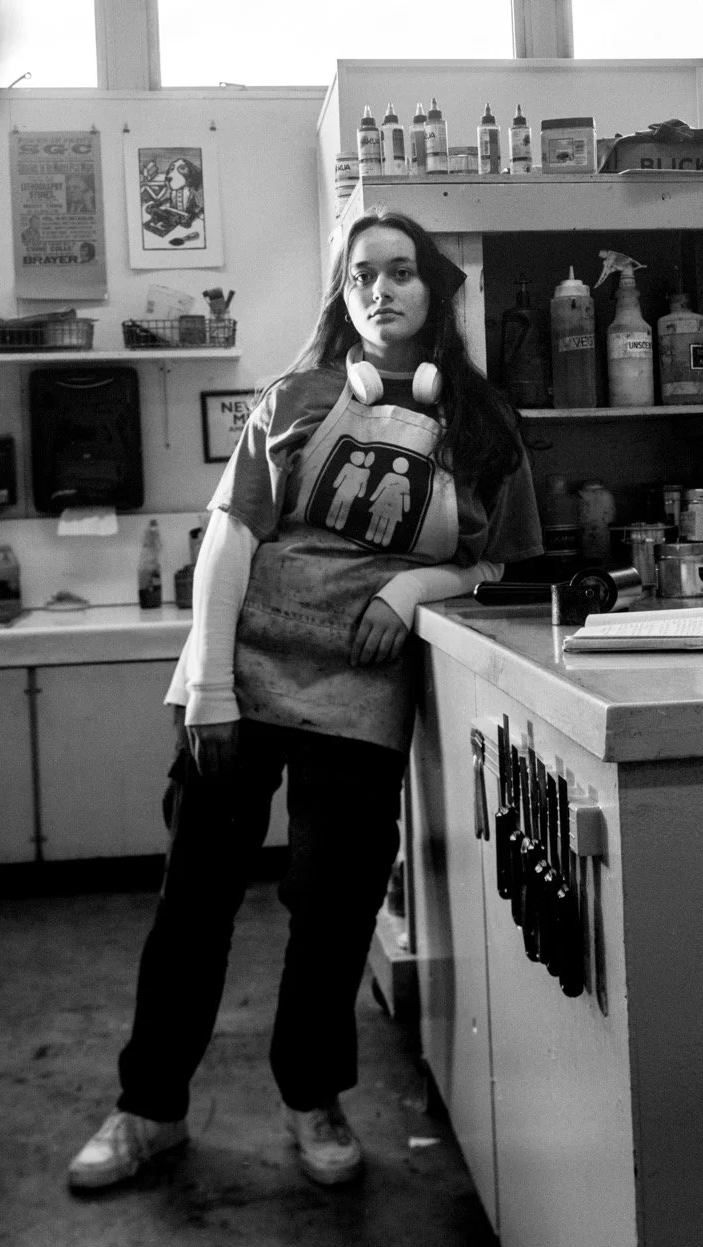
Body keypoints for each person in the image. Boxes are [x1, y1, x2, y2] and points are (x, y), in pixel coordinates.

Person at [67, 208, 543, 1192]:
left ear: (434, 289)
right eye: (362, 274)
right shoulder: (293, 396)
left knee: (333, 908)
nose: (381, 289)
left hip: (362, 688)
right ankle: (147, 1107)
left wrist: (412, 585)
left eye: (401, 271)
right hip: (241, 676)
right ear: (343, 291)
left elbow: (495, 560)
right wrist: (205, 685)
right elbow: (230, 541)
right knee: (194, 902)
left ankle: (311, 1094)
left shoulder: (484, 423)